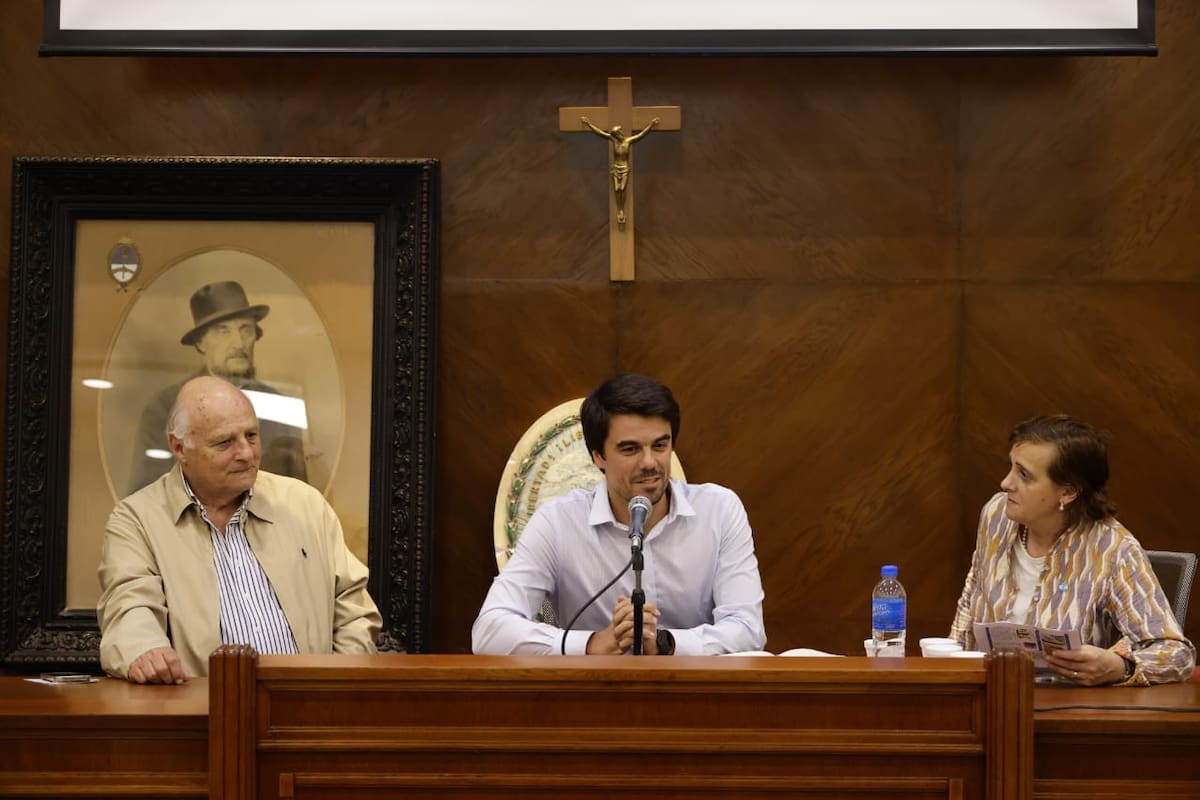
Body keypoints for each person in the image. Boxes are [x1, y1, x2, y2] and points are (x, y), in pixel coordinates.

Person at [98, 376, 381, 683]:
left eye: (251, 435)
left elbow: (353, 607)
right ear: (180, 447)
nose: (246, 453)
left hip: (312, 711)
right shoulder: (137, 519)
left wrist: (334, 686)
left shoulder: (304, 504)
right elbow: (129, 604)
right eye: (225, 442)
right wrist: (146, 651)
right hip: (202, 715)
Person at [472, 373, 766, 656]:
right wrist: (591, 644)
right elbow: (489, 630)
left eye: (660, 445)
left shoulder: (719, 510)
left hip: (696, 698)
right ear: (597, 456)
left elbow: (748, 629)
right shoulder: (558, 523)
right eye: (630, 449)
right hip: (595, 696)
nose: (650, 462)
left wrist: (667, 643)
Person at [950, 415, 1195, 685]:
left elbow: (1176, 655)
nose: (1006, 483)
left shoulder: (1112, 550)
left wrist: (1120, 667)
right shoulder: (996, 515)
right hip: (988, 697)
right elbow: (972, 596)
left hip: (1069, 710)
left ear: (1067, 492)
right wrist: (949, 671)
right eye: (1011, 467)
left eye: (1024, 475)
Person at [127, 280, 307, 495]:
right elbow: (144, 499)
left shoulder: (282, 409)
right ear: (201, 343)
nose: (238, 343)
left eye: (245, 330)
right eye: (223, 331)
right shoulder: (164, 408)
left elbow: (300, 501)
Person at [581, 116, 660, 227]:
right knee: (617, 190)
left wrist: (651, 125)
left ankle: (621, 209)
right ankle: (620, 210)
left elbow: (641, 134)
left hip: (625, 168)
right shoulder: (613, 141)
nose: (618, 135)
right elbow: (600, 133)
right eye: (616, 134)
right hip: (615, 168)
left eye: (618, 133)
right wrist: (589, 124)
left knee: (622, 188)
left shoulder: (628, 141)